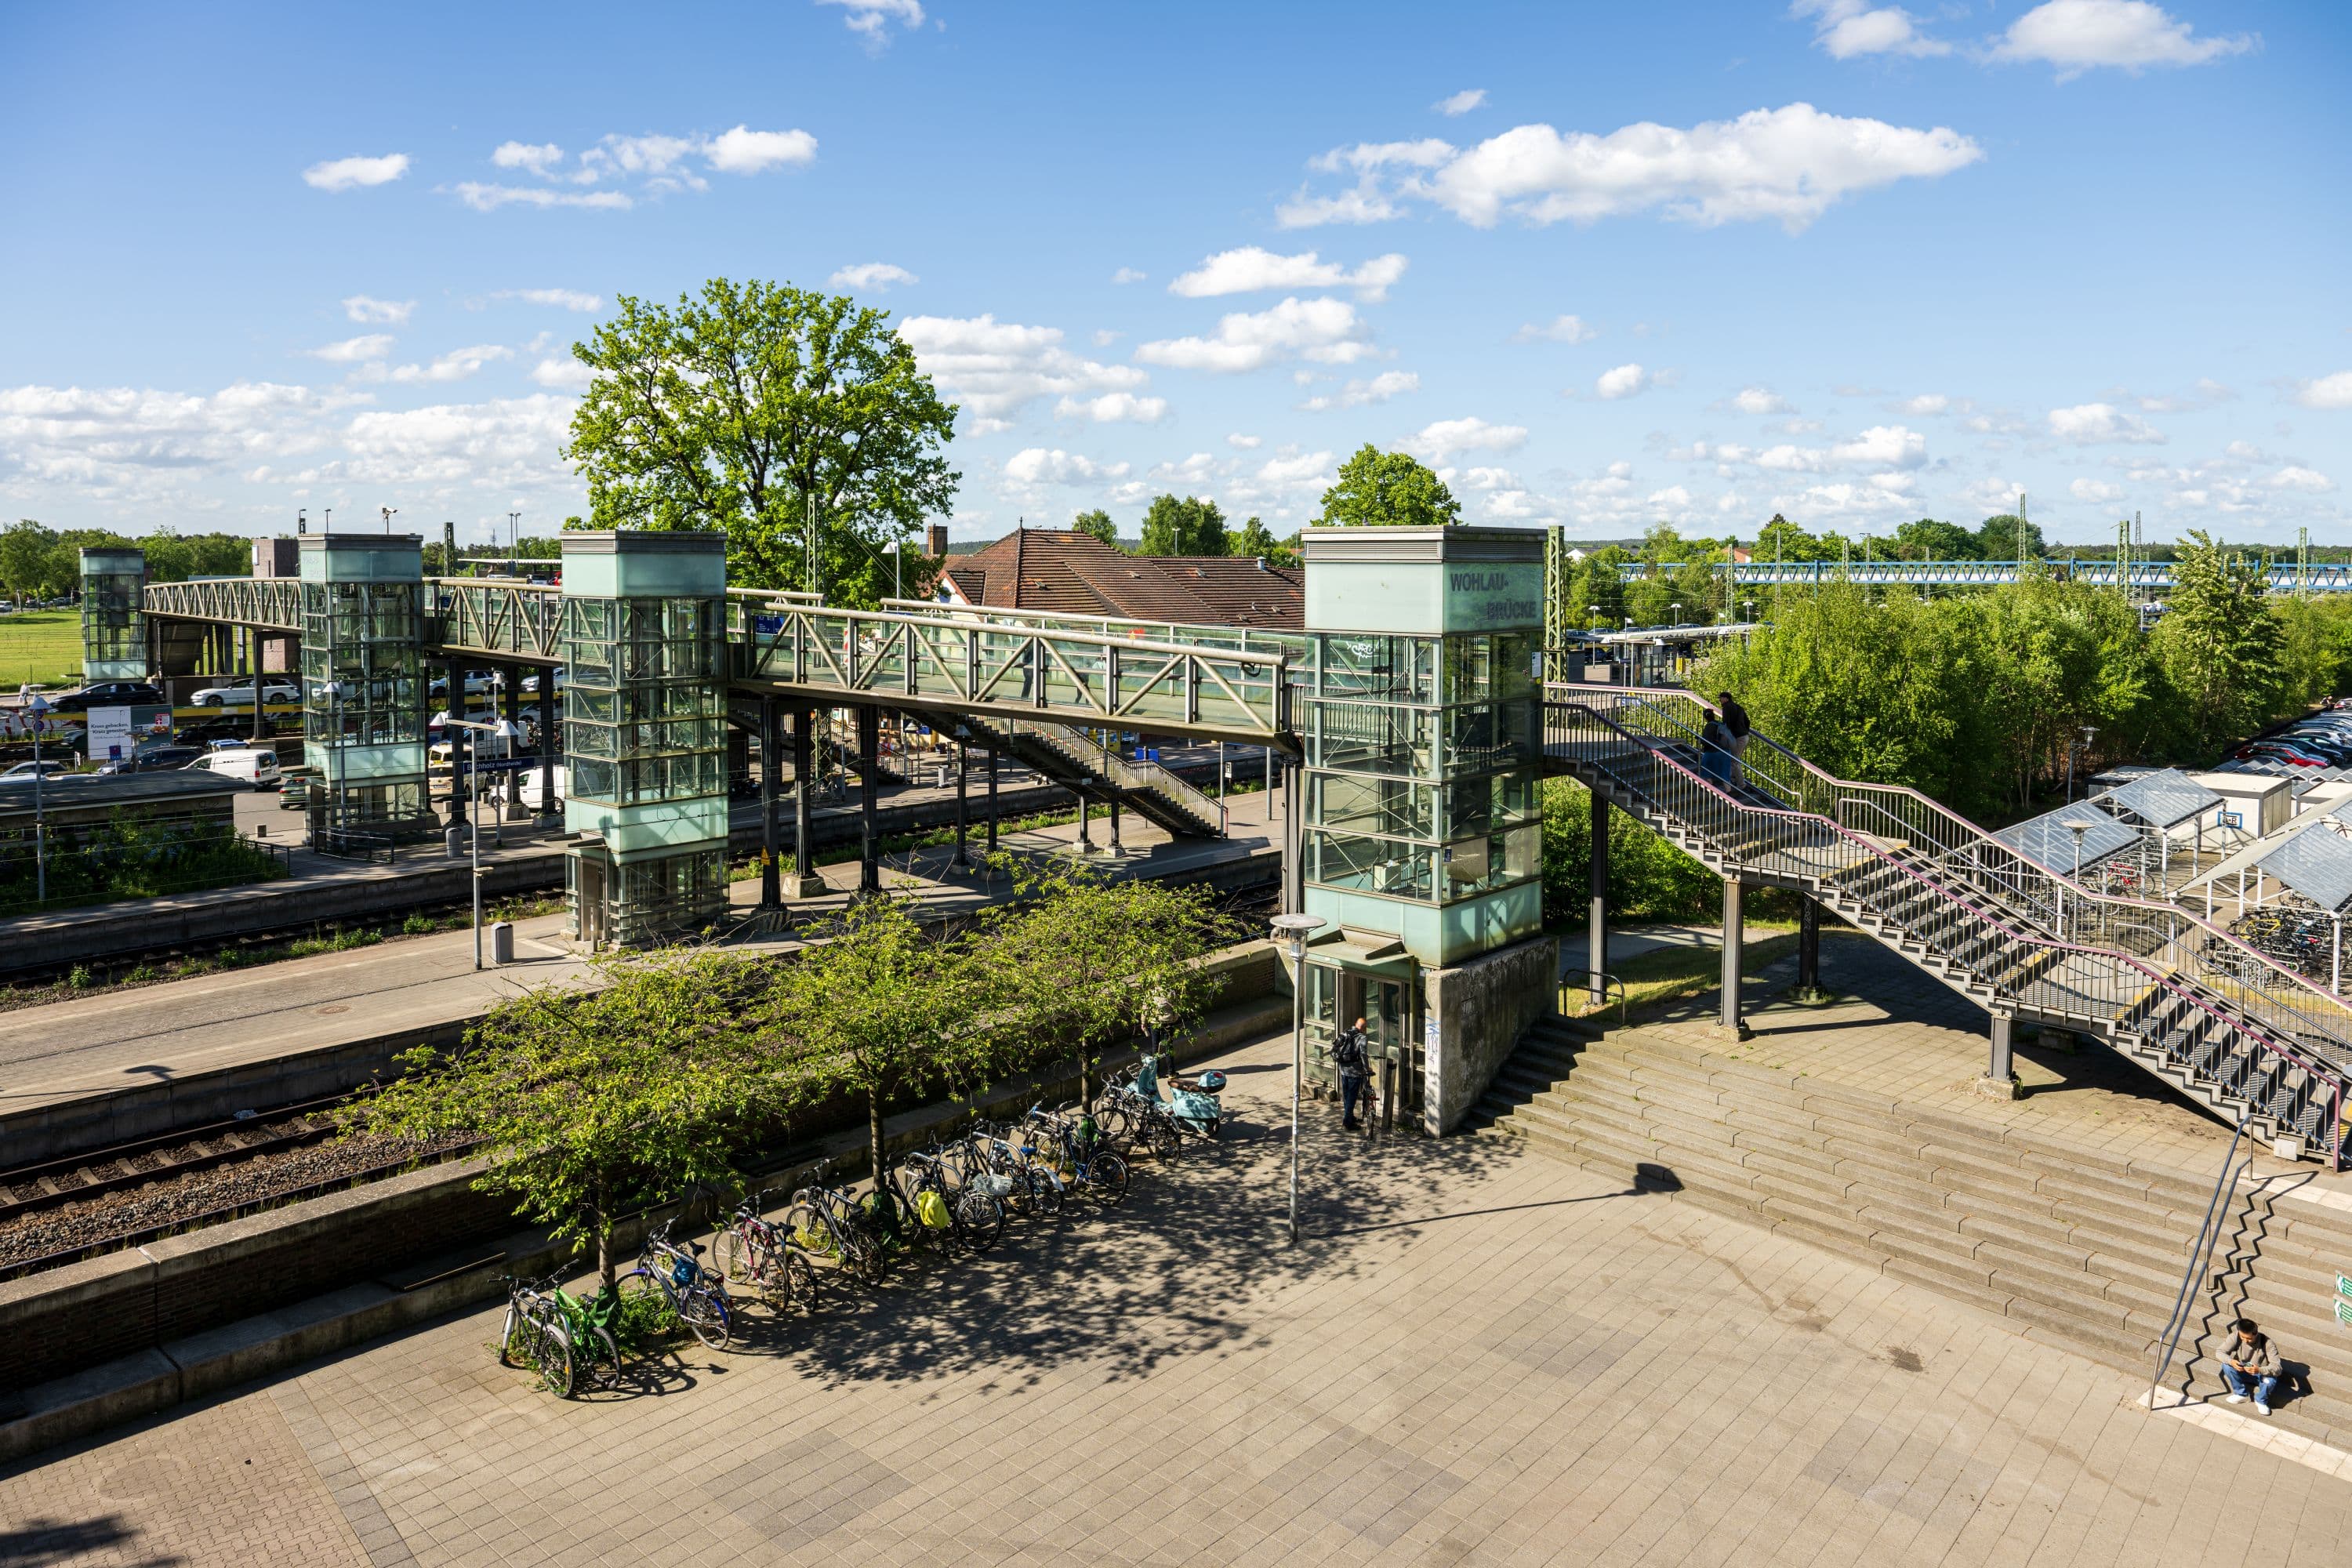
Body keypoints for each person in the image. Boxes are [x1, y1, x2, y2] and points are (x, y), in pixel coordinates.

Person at [2220, 1318, 2282, 1414]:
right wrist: (2231, 1361)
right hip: (2242, 1370)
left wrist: (2259, 1370)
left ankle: (2260, 1400)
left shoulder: (2268, 1343)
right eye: (2242, 1337)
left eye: (2249, 1338)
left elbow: (2277, 1368)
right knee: (2226, 1365)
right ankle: (2241, 1394)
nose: (2245, 1341)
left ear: (2256, 1333)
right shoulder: (2235, 1337)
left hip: (2260, 1374)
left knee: (2270, 1380)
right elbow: (2220, 1352)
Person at [1332, 1016, 1374, 1132]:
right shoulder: (1362, 1037)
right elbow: (1363, 1055)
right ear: (1364, 1028)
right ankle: (1347, 1123)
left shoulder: (1345, 1033)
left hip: (1343, 1069)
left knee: (1346, 1095)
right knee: (1352, 1097)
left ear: (1355, 1024)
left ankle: (1349, 1116)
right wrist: (1366, 1069)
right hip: (1355, 1072)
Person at [1716, 691, 1752, 787]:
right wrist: (1744, 731)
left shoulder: (1727, 707)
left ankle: (1741, 784)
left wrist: (1723, 736)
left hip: (1738, 737)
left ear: (1726, 699)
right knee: (1734, 758)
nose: (1720, 700)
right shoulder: (1739, 707)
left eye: (1721, 698)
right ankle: (1732, 778)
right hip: (1745, 736)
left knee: (1734, 760)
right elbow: (1747, 721)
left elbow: (1726, 723)